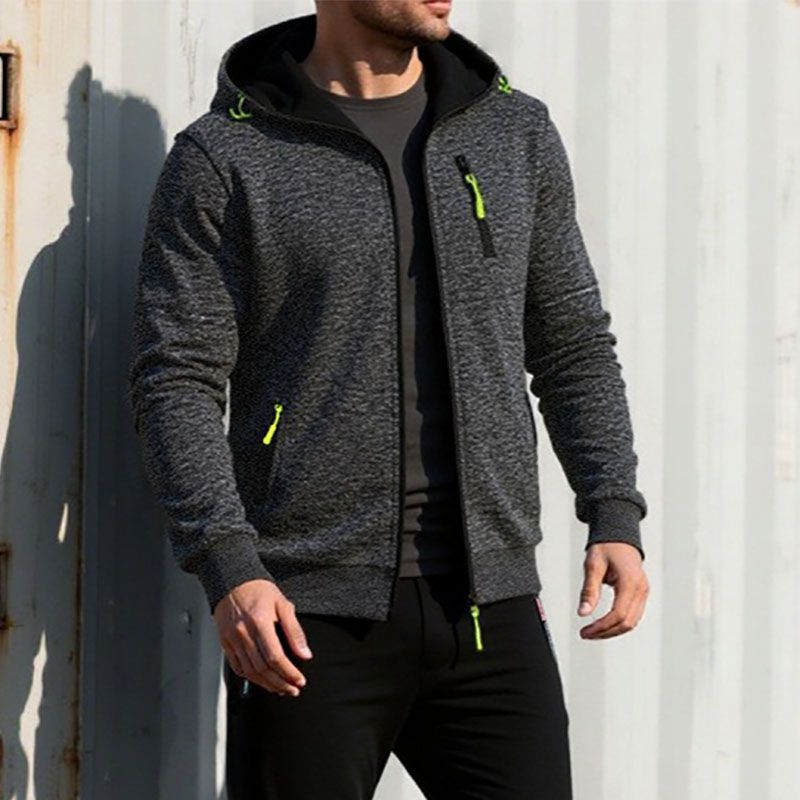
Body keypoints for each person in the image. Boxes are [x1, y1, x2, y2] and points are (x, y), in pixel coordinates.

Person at [127, 1, 650, 797]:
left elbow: (570, 340)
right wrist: (230, 567)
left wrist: (612, 507)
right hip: (304, 617)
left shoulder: (513, 133)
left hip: (489, 607)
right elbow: (177, 379)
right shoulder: (228, 155)